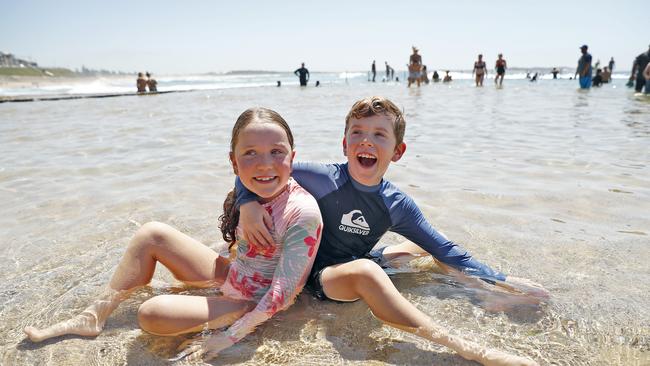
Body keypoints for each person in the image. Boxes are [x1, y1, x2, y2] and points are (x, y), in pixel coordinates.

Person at [236, 96, 546, 365]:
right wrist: (247, 202)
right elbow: (260, 169)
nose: (366, 141)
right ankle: (471, 350)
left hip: (360, 258)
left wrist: (503, 281)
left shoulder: (396, 204)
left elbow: (445, 248)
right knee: (367, 272)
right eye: (357, 133)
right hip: (319, 278)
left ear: (397, 151)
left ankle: (481, 296)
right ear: (345, 145)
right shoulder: (321, 177)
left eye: (379, 134)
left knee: (425, 247)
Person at [23, 107, 324, 362]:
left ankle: (232, 311)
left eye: (276, 152)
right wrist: (245, 205)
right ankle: (93, 316)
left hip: (255, 301)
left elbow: (282, 296)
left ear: (292, 157)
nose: (265, 164)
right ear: (233, 162)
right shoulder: (253, 190)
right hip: (235, 276)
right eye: (250, 154)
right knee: (152, 234)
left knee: (151, 314)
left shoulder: (302, 213)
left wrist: (229, 337)